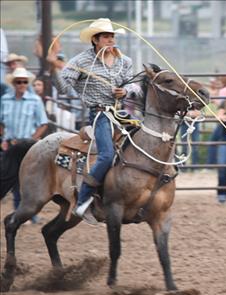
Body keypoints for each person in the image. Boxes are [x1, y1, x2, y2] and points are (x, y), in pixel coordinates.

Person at [48, 18, 141, 225]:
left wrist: (126, 91)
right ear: (95, 40)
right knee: (107, 155)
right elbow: (63, 88)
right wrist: (53, 68)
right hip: (100, 115)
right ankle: (83, 198)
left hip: (121, 115)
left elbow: (136, 88)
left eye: (112, 36)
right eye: (106, 36)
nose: (110, 40)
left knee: (145, 143)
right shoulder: (81, 61)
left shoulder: (124, 61)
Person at [1, 67, 48, 223]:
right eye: (19, 82)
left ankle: (26, 212)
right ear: (14, 83)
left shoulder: (35, 101)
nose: (22, 84)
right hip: (10, 143)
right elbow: (1, 122)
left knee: (26, 180)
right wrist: (3, 138)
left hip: (27, 145)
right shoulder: (5, 100)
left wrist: (32, 139)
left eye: (24, 82)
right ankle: (22, 212)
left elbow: (43, 124)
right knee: (11, 179)